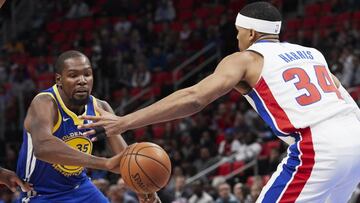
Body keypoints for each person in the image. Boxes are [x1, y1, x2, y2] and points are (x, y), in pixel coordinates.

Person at [79, 2, 360, 202]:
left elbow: (194, 97)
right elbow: (342, 95)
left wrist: (124, 122)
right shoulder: (312, 53)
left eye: (238, 31)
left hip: (319, 145)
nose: (237, 37)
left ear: (249, 33)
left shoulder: (246, 58)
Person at [16, 51, 159, 203]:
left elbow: (124, 157)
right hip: (41, 194)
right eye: (73, 75)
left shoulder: (100, 107)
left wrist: (143, 189)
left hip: (80, 187)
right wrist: (104, 163)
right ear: (59, 79)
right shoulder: (44, 103)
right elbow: (43, 147)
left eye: (87, 74)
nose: (82, 81)